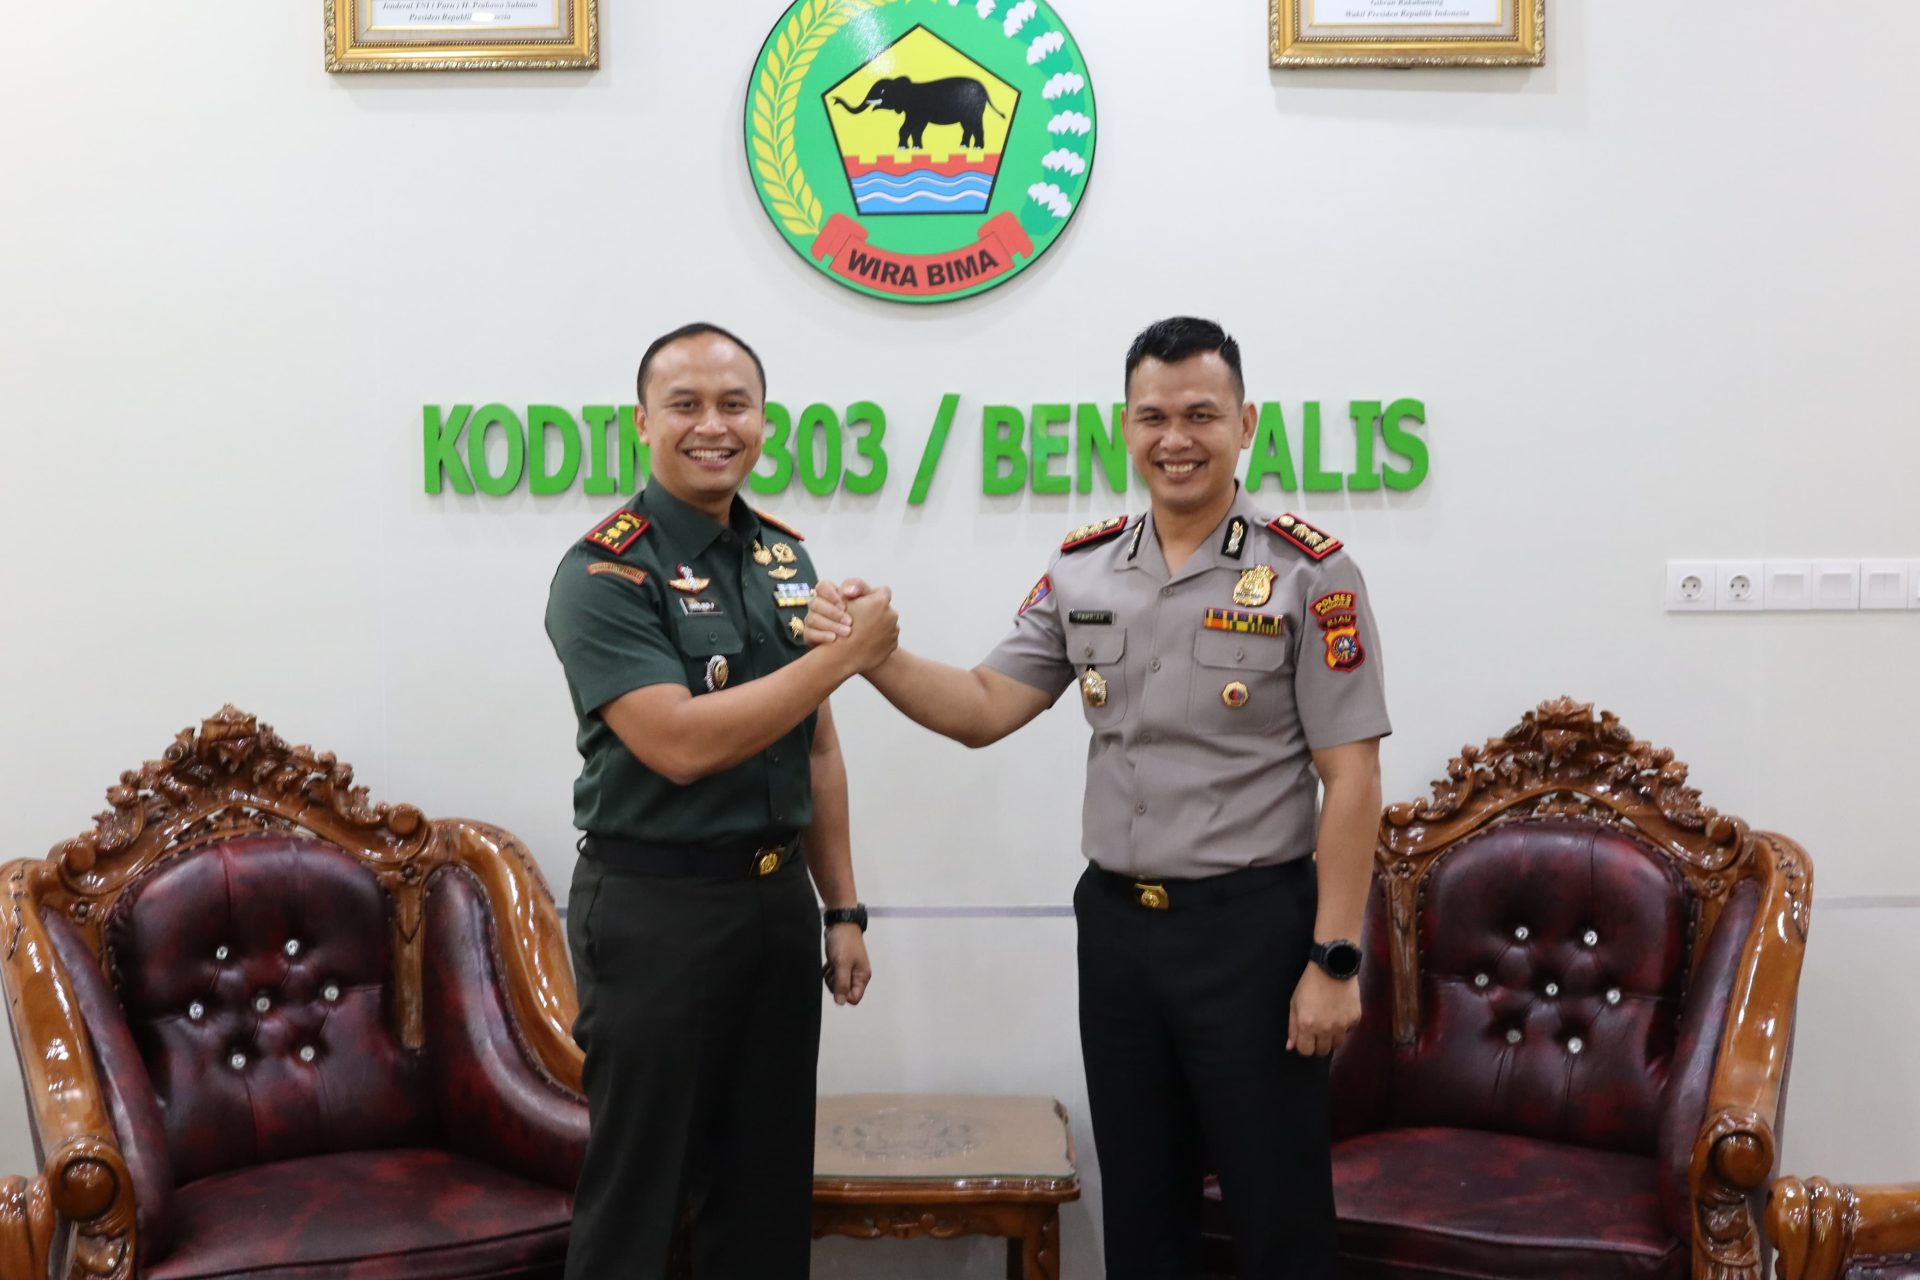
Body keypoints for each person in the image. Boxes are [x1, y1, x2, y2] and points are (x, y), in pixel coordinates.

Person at [806, 316, 1389, 1279]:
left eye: (1201, 415)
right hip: (1119, 933)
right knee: (1143, 1207)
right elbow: (983, 706)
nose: (1175, 438)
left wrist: (1334, 957)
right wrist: (872, 655)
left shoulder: (1308, 572)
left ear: (1246, 425)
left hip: (1253, 935)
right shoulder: (1085, 568)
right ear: (1124, 425)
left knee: (1277, 1213)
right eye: (1153, 416)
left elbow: (1353, 776)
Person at [544, 321, 899, 1280]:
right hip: (657, 908)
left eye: (735, 405)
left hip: (775, 907)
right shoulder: (605, 571)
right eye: (686, 405)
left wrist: (843, 910)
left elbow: (817, 744)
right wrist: (841, 659)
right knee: (640, 1201)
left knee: (765, 1196)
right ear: (641, 423)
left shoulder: (784, 558)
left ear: (764, 422)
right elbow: (678, 744)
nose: (714, 425)